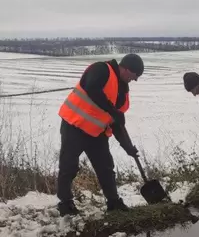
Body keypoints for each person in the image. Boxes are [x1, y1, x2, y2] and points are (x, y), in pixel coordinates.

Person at [56, 53, 144, 217]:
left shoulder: (122, 92)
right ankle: (65, 203)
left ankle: (113, 202)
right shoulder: (102, 69)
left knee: (106, 167)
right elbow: (92, 88)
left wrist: (128, 148)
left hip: (96, 133)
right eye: (135, 75)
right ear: (126, 68)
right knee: (68, 166)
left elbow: (116, 124)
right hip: (74, 125)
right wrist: (111, 110)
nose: (136, 79)